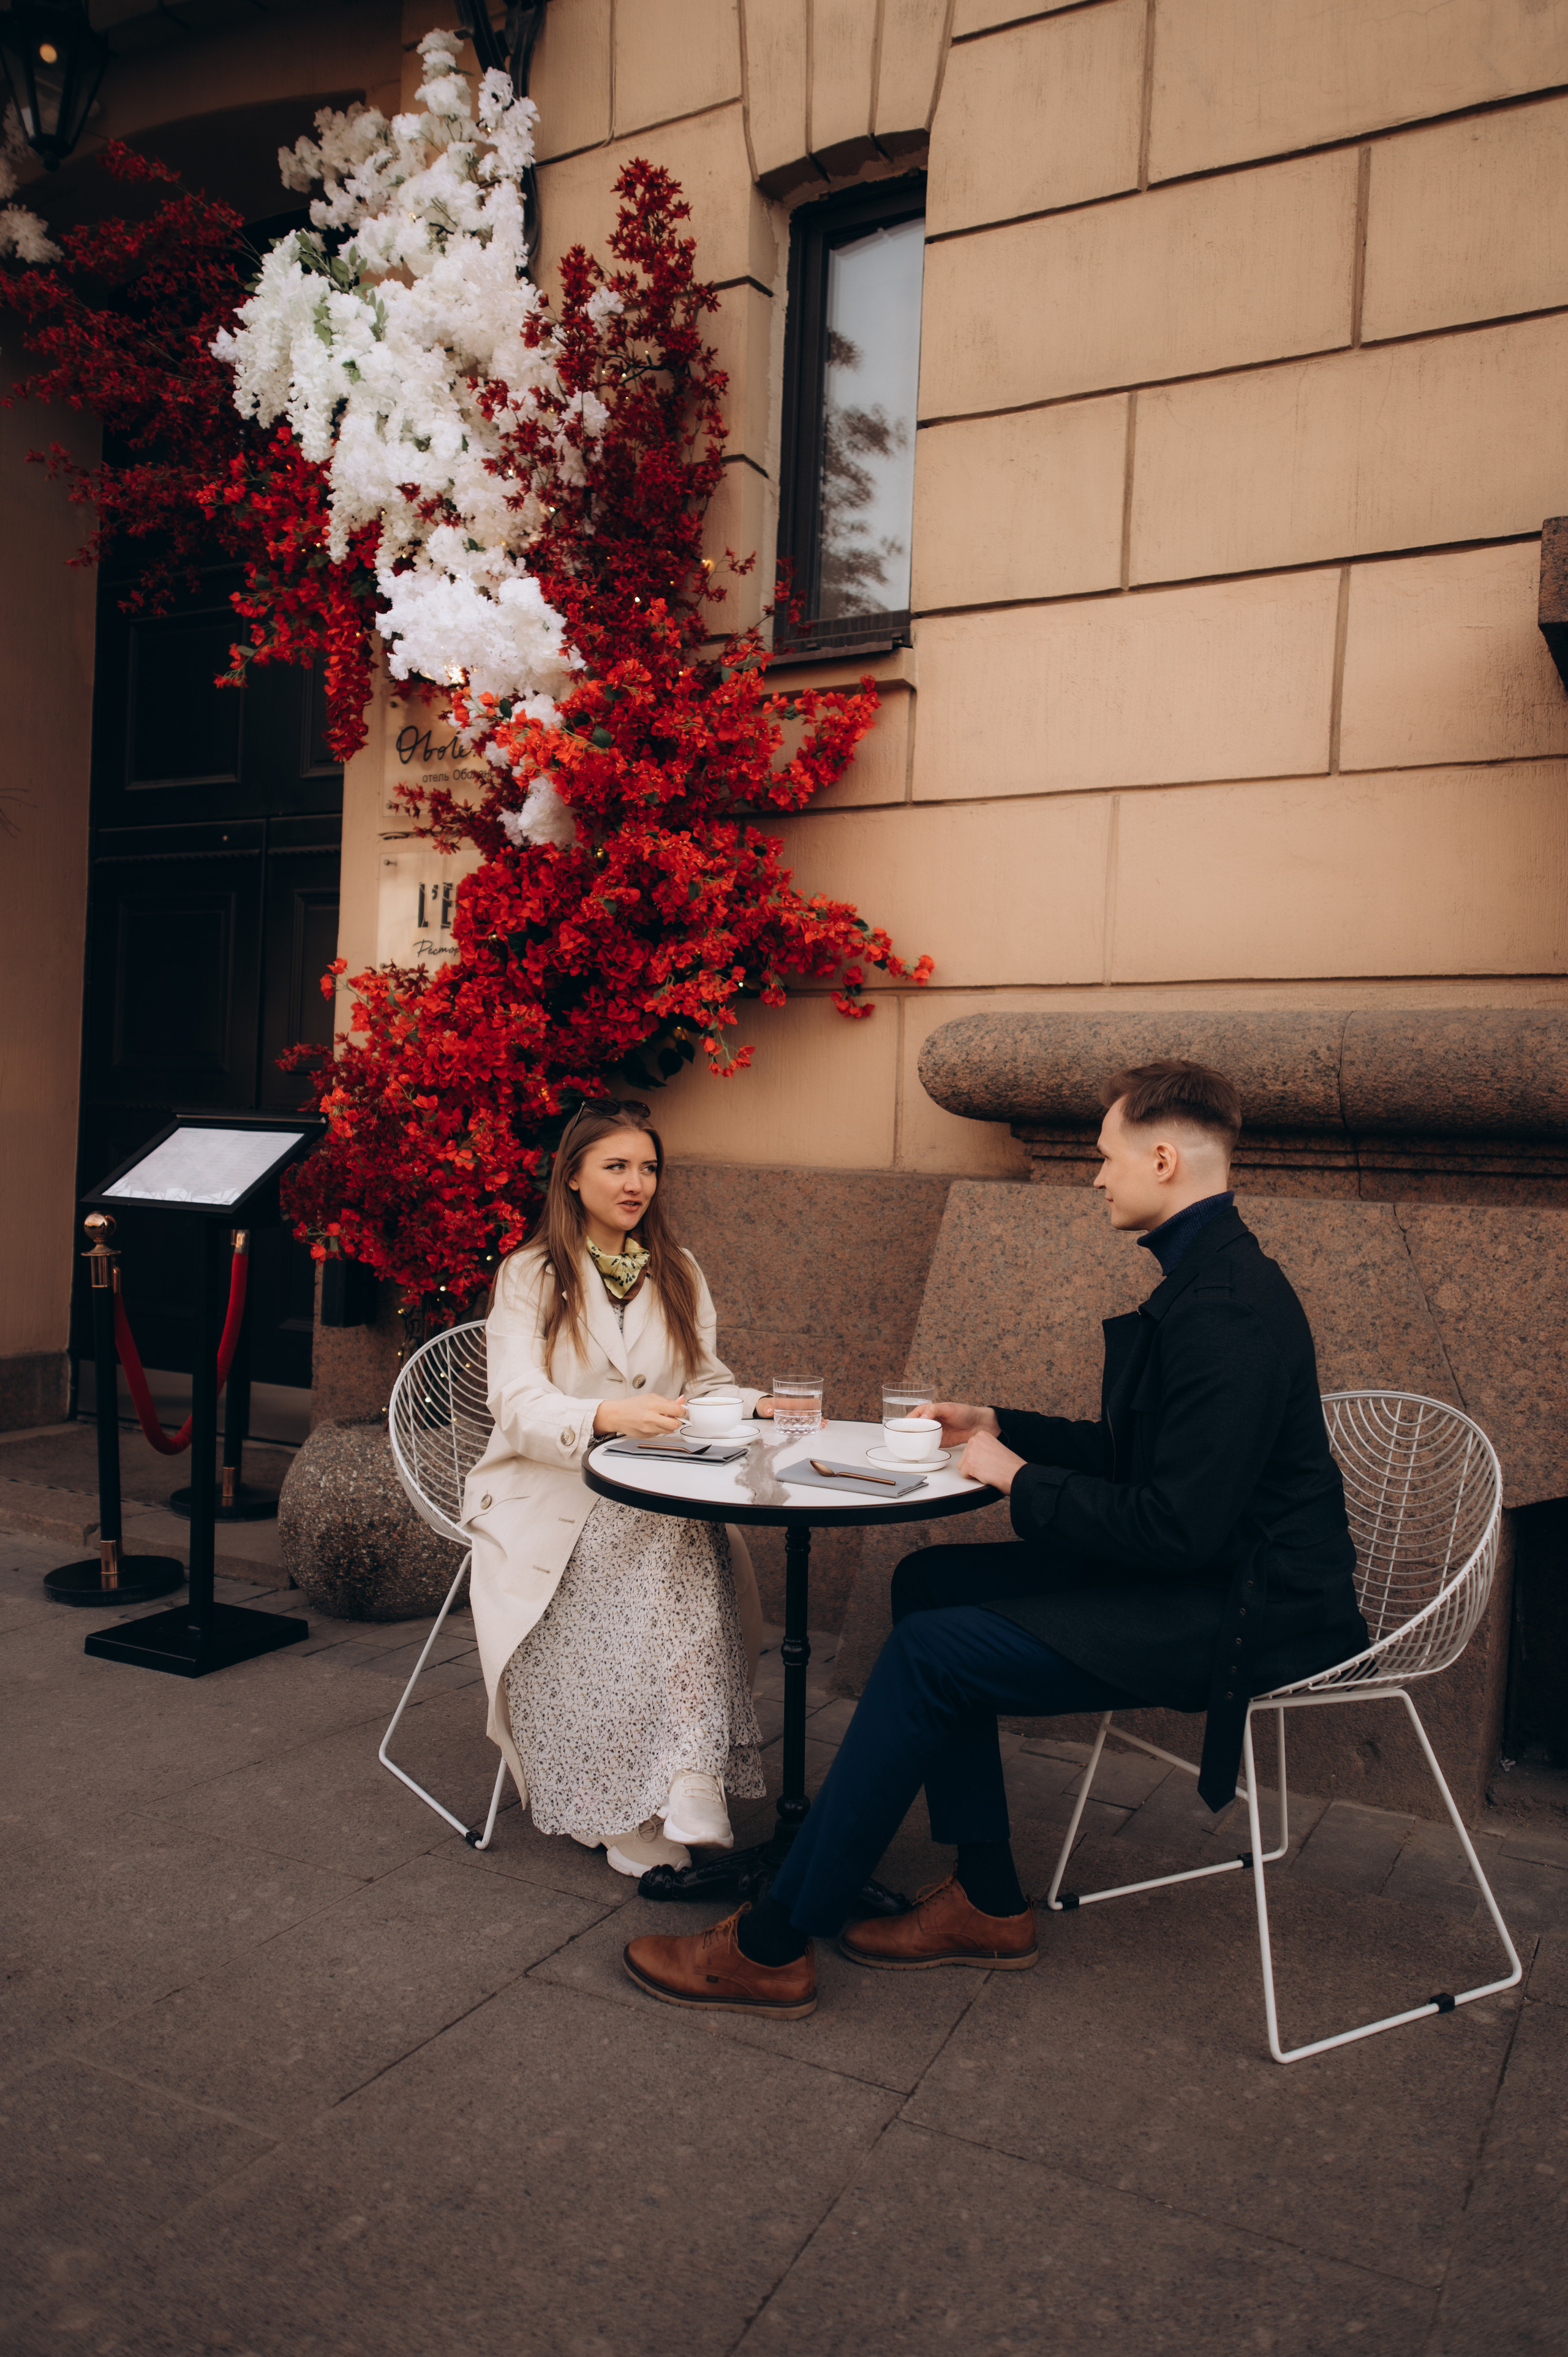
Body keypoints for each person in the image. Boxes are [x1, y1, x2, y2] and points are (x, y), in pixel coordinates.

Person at [621, 1057, 1370, 2018]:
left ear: (1166, 1158)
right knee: (931, 1584)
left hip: (1246, 1608)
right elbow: (1140, 1455)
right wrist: (996, 1425)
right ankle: (985, 1896)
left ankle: (771, 1944)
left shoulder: (1226, 1309)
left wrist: (1016, 1478)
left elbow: (1177, 1526)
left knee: (936, 1653)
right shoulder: (1209, 1279)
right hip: (1211, 1573)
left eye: (1106, 1158)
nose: (1095, 1176)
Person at [464, 1098, 773, 1878]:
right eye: (616, 1166)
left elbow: (706, 1384)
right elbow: (516, 1402)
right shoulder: (529, 1274)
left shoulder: (679, 1268)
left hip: (652, 1485)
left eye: (648, 1168)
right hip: (551, 1491)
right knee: (679, 1536)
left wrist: (757, 1405)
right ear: (572, 1176)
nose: (636, 1183)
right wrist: (603, 1413)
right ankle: (669, 1785)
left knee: (677, 1531)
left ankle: (682, 1776)